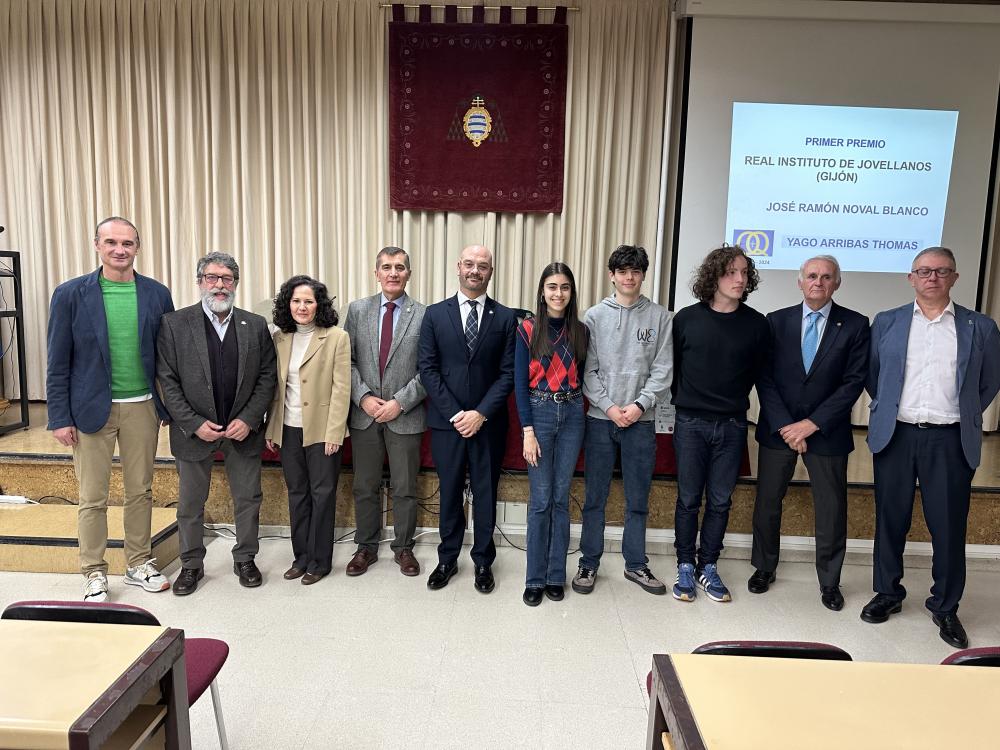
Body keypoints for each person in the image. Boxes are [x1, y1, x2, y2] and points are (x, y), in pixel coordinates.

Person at [862, 247, 1000, 648]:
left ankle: (945, 606)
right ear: (911, 278)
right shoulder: (887, 322)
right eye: (924, 271)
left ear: (954, 277)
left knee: (948, 525)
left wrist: (964, 413)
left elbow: (988, 382)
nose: (932, 278)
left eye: (941, 271)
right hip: (897, 434)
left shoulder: (981, 327)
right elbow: (875, 375)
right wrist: (891, 409)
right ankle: (888, 593)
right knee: (891, 519)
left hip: (950, 438)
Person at [46, 216, 174, 602]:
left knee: (141, 490)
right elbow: (57, 359)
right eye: (112, 242)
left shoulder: (156, 293)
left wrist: (168, 407)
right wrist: (58, 416)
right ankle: (93, 572)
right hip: (89, 409)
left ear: (137, 247)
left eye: (128, 243)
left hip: (142, 408)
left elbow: (166, 356)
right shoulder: (70, 294)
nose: (120, 249)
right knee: (92, 495)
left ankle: (138, 563)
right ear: (97, 245)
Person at [750, 255, 869, 610]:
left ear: (837, 284)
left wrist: (811, 424)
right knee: (768, 504)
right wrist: (788, 425)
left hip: (827, 432)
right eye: (812, 276)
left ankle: (830, 581)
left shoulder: (856, 324)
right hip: (778, 430)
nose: (819, 282)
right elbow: (765, 378)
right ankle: (763, 567)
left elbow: (853, 382)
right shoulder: (775, 322)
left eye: (827, 277)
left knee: (831, 509)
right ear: (800, 281)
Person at [156, 252, 277, 595]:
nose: (220, 285)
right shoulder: (174, 324)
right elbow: (167, 380)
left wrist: (250, 419)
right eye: (212, 278)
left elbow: (267, 377)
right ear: (200, 282)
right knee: (191, 504)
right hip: (195, 433)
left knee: (248, 498)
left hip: (243, 431)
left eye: (227, 278)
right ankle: (191, 565)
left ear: (236, 283)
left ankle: (245, 558)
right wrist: (193, 423)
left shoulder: (255, 325)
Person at [670, 246, 769, 603]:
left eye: (744, 272)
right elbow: (673, 371)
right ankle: (684, 563)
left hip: (732, 425)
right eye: (731, 272)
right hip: (691, 423)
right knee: (687, 500)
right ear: (713, 277)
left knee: (721, 501)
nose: (740, 279)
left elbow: (764, 378)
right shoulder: (685, 319)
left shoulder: (757, 324)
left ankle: (707, 565)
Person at [574, 245, 672, 596]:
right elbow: (588, 370)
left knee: (637, 499)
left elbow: (662, 371)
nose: (629, 277)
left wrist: (638, 406)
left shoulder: (661, 317)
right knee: (595, 498)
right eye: (623, 271)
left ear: (643, 275)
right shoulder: (594, 317)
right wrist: (611, 408)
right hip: (601, 422)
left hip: (641, 424)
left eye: (636, 271)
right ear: (612, 275)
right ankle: (589, 562)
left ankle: (636, 564)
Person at [418, 245, 516, 593]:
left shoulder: (505, 318)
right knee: (450, 493)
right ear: (459, 267)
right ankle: (447, 559)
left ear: (491, 272)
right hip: (448, 423)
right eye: (470, 264)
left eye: (483, 266)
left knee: (486, 493)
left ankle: (483, 561)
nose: (476, 271)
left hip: (488, 424)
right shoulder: (434, 314)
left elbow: (508, 374)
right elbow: (427, 370)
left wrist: (480, 414)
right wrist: (458, 413)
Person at [342, 247, 426, 577]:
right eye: (387, 267)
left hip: (405, 415)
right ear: (376, 273)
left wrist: (400, 402)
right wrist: (362, 397)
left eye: (400, 267)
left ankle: (404, 548)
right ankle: (366, 547)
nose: (393, 273)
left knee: (405, 486)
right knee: (365, 484)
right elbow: (345, 361)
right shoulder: (357, 310)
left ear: (409, 274)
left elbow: (429, 370)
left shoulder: (424, 314)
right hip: (364, 413)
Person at [265, 275, 350, 585]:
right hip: (288, 428)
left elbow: (342, 389)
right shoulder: (279, 338)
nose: (302, 306)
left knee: (322, 495)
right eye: (296, 300)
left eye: (309, 301)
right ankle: (300, 557)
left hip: (321, 430)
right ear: (288, 304)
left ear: (319, 305)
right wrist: (272, 429)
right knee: (297, 494)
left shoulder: (337, 337)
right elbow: (276, 389)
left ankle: (320, 561)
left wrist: (334, 434)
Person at [515, 263, 588, 606]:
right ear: (542, 292)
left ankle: (556, 575)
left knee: (561, 498)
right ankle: (534, 578)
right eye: (552, 287)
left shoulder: (581, 332)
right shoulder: (527, 329)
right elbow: (518, 385)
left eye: (565, 287)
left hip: (573, 413)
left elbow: (584, 378)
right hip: (539, 414)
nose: (558, 293)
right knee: (541, 500)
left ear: (572, 293)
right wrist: (528, 431)